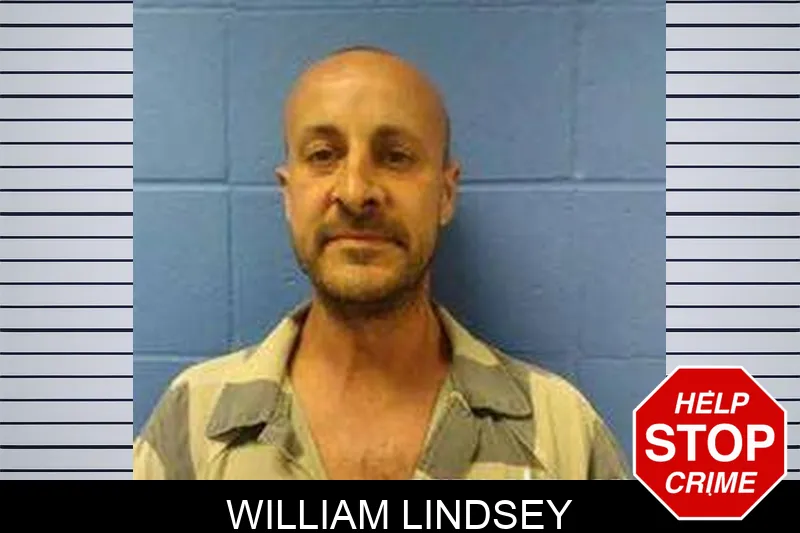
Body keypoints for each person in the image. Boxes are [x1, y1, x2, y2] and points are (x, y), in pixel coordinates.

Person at [133, 45, 630, 480]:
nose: (355, 192)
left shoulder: (560, 432)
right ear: (288, 195)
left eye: (395, 157)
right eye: (323, 154)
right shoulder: (192, 425)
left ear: (446, 194)